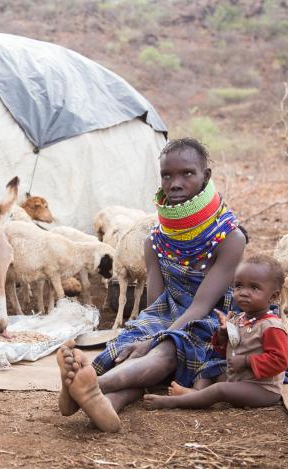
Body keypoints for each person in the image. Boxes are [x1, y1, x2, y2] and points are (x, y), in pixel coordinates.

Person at [57, 137, 247, 432]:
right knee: (128, 346)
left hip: (211, 320)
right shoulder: (155, 241)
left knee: (167, 349)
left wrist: (154, 340)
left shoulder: (230, 238)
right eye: (167, 175)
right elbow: (156, 305)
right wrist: (147, 333)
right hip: (168, 314)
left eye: (187, 173)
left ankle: (89, 386)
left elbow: (201, 305)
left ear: (206, 177)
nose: (175, 183)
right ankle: (108, 402)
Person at [142, 254, 288, 410]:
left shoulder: (271, 326)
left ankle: (174, 402)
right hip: (239, 379)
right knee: (210, 371)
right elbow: (222, 350)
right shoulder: (239, 318)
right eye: (239, 286)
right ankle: (196, 393)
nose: (244, 292)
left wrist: (247, 361)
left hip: (262, 389)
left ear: (273, 296)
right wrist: (222, 335)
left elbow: (280, 360)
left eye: (254, 287)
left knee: (220, 389)